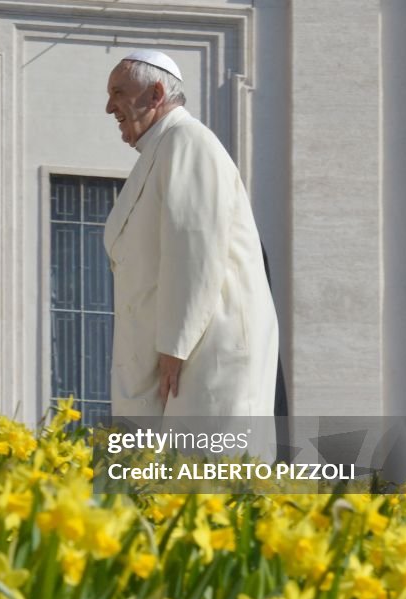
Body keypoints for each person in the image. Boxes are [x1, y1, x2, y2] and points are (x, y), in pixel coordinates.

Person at [103, 49, 279, 418]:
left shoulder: (189, 142)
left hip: (203, 356)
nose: (109, 107)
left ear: (155, 95)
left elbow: (193, 248)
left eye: (118, 92)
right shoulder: (161, 148)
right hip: (170, 364)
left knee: (205, 472)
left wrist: (174, 349)